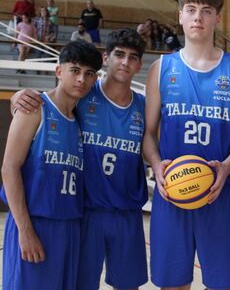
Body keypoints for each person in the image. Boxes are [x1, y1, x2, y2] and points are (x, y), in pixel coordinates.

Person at [11, 28, 149, 290]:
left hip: (127, 212)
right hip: (85, 212)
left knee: (129, 285)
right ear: (106, 58)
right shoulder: (84, 94)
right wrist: (18, 98)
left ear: (140, 64)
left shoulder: (144, 105)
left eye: (133, 57)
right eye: (119, 55)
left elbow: (152, 144)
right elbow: (45, 103)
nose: (125, 62)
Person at [143, 0, 230, 289]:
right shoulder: (162, 67)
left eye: (206, 11)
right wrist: (156, 167)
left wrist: (228, 166)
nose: (198, 18)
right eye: (191, 11)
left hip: (219, 192)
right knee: (172, 284)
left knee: (224, 284)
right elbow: (148, 133)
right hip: (173, 192)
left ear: (217, 18)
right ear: (180, 16)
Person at [1, 41, 102, 290]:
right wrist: (25, 231)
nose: (81, 79)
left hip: (69, 226)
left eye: (89, 74)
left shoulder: (81, 121)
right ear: (59, 71)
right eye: (75, 70)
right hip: (35, 222)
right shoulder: (34, 108)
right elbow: (9, 168)